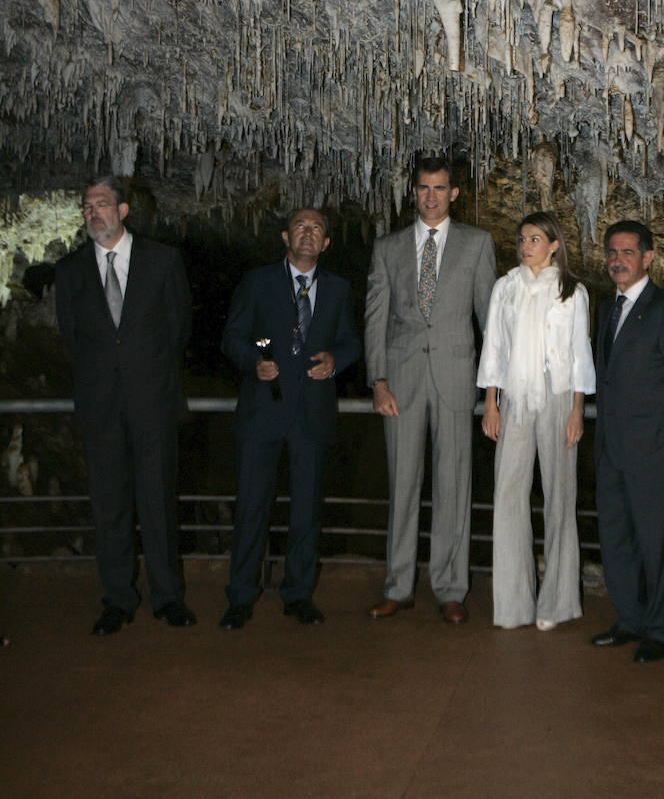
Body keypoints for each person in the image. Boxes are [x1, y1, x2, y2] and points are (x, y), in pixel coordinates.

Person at [55, 175, 194, 635]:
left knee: (158, 505)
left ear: (123, 210)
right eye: (86, 206)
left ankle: (168, 598)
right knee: (109, 507)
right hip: (101, 408)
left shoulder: (162, 262)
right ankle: (117, 599)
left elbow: (178, 330)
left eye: (101, 204)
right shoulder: (71, 270)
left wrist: (144, 375)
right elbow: (72, 336)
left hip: (153, 404)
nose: (92, 213)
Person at [365, 155, 496, 624]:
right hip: (400, 380)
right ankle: (398, 586)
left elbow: (489, 321)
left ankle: (450, 588)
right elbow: (375, 318)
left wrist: (492, 390)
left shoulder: (478, 245)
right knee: (402, 484)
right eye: (423, 188)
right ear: (413, 191)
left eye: (440, 188)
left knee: (454, 484)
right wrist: (377, 381)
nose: (431, 196)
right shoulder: (388, 247)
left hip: (455, 377)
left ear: (454, 193)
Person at [220, 208, 360, 628]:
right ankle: (241, 596)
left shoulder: (337, 289)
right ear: (285, 236)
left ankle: (298, 595)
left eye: (317, 228)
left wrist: (336, 360)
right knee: (251, 508)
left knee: (306, 511)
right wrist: (253, 363)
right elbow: (232, 337)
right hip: (263, 411)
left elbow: (352, 341)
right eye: (301, 226)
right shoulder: (257, 282)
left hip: (312, 415)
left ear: (327, 243)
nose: (308, 233)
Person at [477, 212, 595, 630]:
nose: (526, 245)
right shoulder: (505, 288)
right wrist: (491, 402)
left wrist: (577, 410)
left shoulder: (571, 291)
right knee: (508, 493)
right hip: (514, 393)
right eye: (522, 238)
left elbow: (581, 352)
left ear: (554, 245)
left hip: (558, 393)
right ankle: (512, 604)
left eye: (535, 239)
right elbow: (494, 345)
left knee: (560, 495)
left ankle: (557, 603)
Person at [590, 220, 664, 662]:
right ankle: (629, 620)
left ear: (648, 258)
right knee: (616, 540)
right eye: (613, 252)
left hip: (655, 451)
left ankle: (661, 628)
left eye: (628, 252)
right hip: (612, 448)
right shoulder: (605, 309)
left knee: (657, 546)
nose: (618, 260)